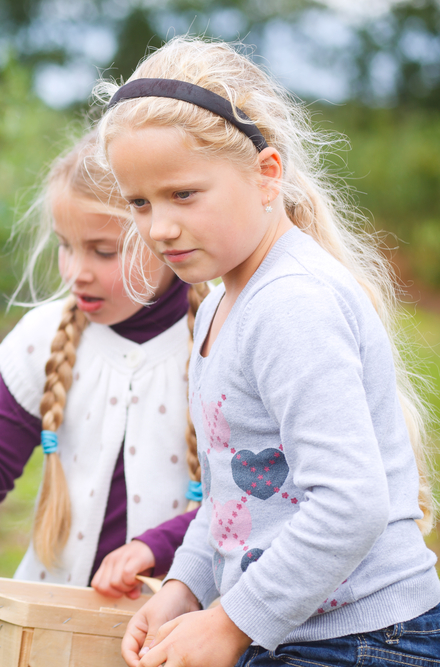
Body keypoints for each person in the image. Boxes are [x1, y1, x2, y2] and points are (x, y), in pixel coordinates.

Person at [95, 36, 440, 667]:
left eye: (184, 195)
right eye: (139, 203)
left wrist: (229, 622)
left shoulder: (291, 305)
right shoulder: (223, 306)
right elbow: (232, 496)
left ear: (267, 174)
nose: (159, 227)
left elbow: (350, 503)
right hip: (296, 629)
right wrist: (186, 587)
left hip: (364, 640)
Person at [0, 130, 210, 596]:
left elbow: (244, 501)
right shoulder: (43, 338)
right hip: (54, 603)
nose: (75, 271)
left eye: (103, 251)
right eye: (65, 246)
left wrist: (158, 545)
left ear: (166, 234)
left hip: (174, 614)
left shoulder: (221, 339)